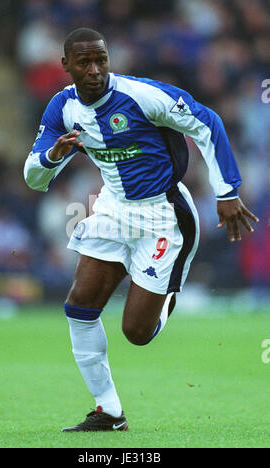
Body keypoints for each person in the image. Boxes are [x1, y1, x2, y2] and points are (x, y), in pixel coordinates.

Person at [24, 28, 259, 432]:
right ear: (66, 65)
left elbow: (207, 122)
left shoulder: (143, 95)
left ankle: (165, 297)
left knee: (136, 333)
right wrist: (52, 155)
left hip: (163, 212)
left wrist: (227, 191)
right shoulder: (61, 108)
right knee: (79, 305)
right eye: (85, 62)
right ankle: (108, 411)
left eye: (102, 59)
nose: (95, 69)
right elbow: (34, 178)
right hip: (113, 209)